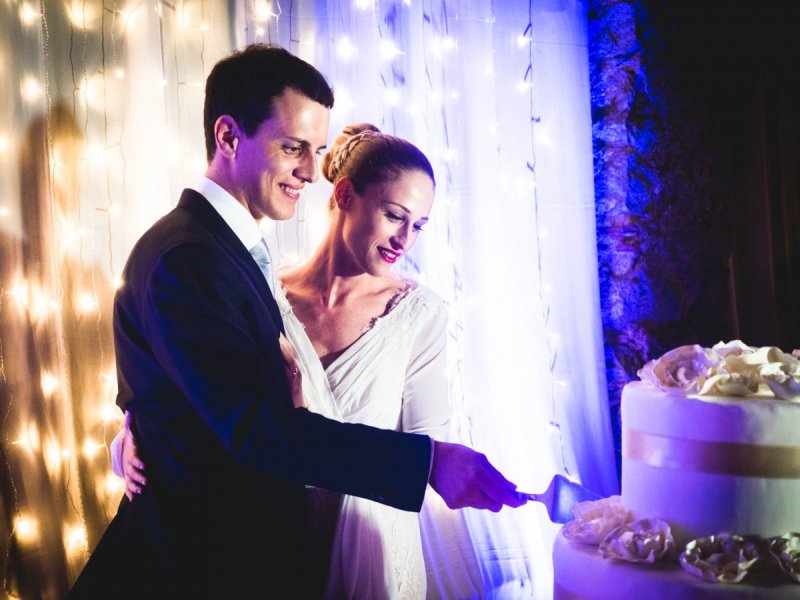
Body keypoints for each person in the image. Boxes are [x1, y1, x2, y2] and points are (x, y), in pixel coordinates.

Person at [67, 43, 525, 599]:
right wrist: (426, 463)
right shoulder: (192, 256)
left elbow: (190, 389)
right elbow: (254, 427)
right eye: (293, 149)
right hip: (195, 565)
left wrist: (143, 418)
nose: (312, 172)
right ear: (229, 137)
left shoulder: (224, 249)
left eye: (317, 151)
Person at [114, 122, 464, 598]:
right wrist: (134, 433)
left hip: (365, 550)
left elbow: (426, 453)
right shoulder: (267, 291)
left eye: (418, 225)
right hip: (261, 536)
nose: (406, 239)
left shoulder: (420, 316)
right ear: (344, 195)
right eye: (394, 215)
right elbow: (212, 394)